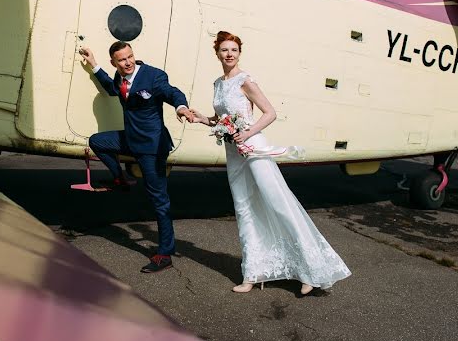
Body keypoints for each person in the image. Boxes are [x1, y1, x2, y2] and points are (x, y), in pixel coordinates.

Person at [190, 31, 351, 294]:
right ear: (217, 53)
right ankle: (252, 274)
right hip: (234, 154)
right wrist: (203, 120)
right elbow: (223, 121)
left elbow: (270, 113)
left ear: (239, 53)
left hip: (254, 148)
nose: (229, 54)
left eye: (234, 50)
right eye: (224, 50)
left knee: (279, 204)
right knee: (243, 210)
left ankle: (309, 271)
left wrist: (248, 132)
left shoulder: (245, 80)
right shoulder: (218, 84)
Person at [79, 41, 194, 273]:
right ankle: (119, 179)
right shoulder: (119, 77)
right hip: (131, 139)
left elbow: (172, 92)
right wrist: (94, 65)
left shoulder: (153, 76)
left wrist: (181, 107)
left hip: (151, 147)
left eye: (130, 57)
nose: (128, 62)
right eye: (122, 60)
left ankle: (165, 253)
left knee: (159, 201)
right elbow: (112, 89)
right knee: (97, 141)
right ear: (115, 62)